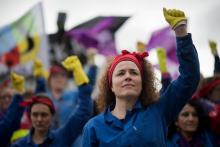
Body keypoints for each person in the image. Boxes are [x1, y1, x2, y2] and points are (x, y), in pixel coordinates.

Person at [81, 8, 200, 146]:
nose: (128, 76)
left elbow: (189, 78)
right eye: (120, 73)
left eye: (134, 72)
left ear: (143, 82)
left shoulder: (159, 111)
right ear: (111, 85)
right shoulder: (93, 127)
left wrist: (180, 31)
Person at [12, 56, 93, 146]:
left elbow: (85, 108)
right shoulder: (44, 96)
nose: (39, 119)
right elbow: (37, 100)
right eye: (55, 76)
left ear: (51, 115)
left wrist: (84, 79)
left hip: (70, 140)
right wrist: (39, 79)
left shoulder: (73, 95)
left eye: (62, 75)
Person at [0, 73, 25, 147]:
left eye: (10, 97)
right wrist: (18, 96)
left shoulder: (23, 109)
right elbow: (6, 126)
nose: (6, 99)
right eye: (3, 97)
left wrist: (40, 81)